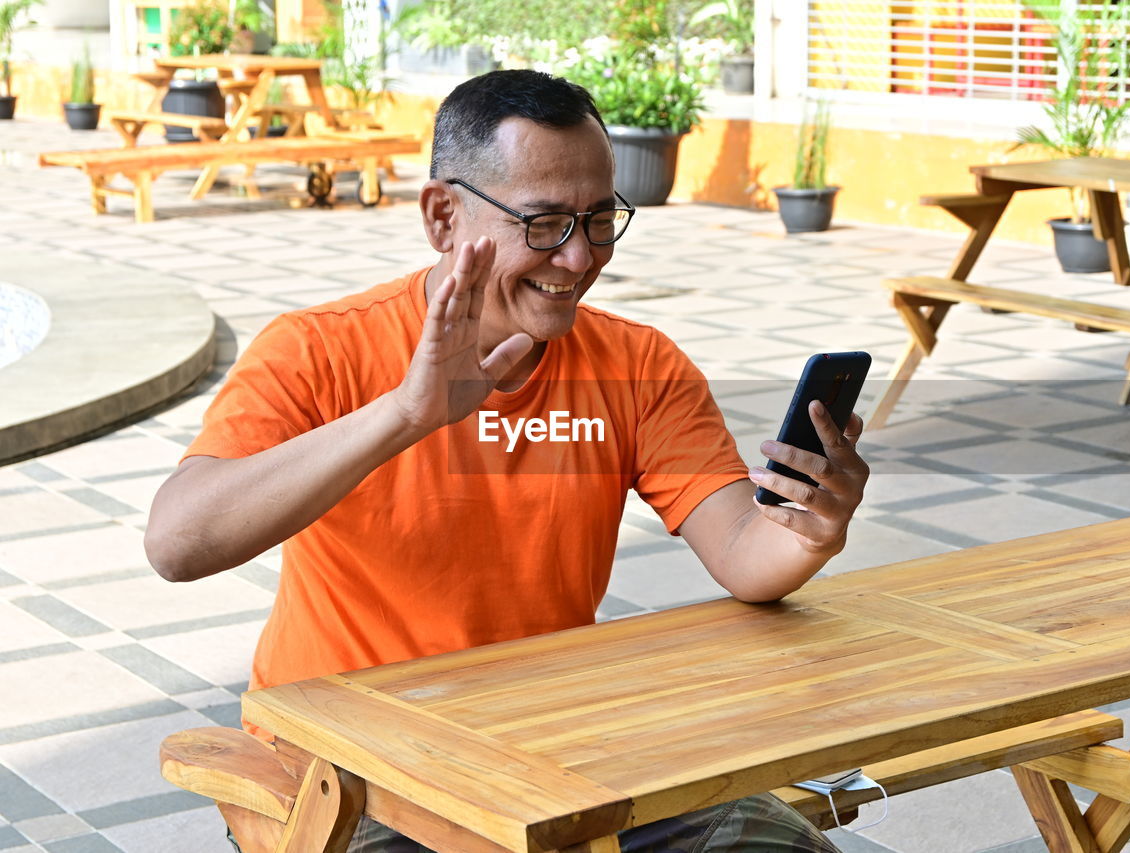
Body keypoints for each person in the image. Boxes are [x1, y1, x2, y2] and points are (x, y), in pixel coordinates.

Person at [146, 69, 869, 853]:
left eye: (600, 220)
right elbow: (177, 543)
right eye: (546, 222)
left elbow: (741, 551)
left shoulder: (638, 364)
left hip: (555, 755)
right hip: (350, 776)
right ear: (442, 216)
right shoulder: (318, 348)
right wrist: (404, 414)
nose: (579, 257)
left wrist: (807, 528)